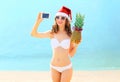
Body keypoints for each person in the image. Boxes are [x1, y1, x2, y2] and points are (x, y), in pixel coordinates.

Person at [31, 6, 82, 82]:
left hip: (66, 68)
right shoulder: (52, 33)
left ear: (66, 20)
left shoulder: (70, 35)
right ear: (55, 19)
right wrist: (38, 21)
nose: (59, 19)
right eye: (57, 17)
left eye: (62, 18)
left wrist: (77, 45)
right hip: (54, 67)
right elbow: (34, 34)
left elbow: (71, 54)